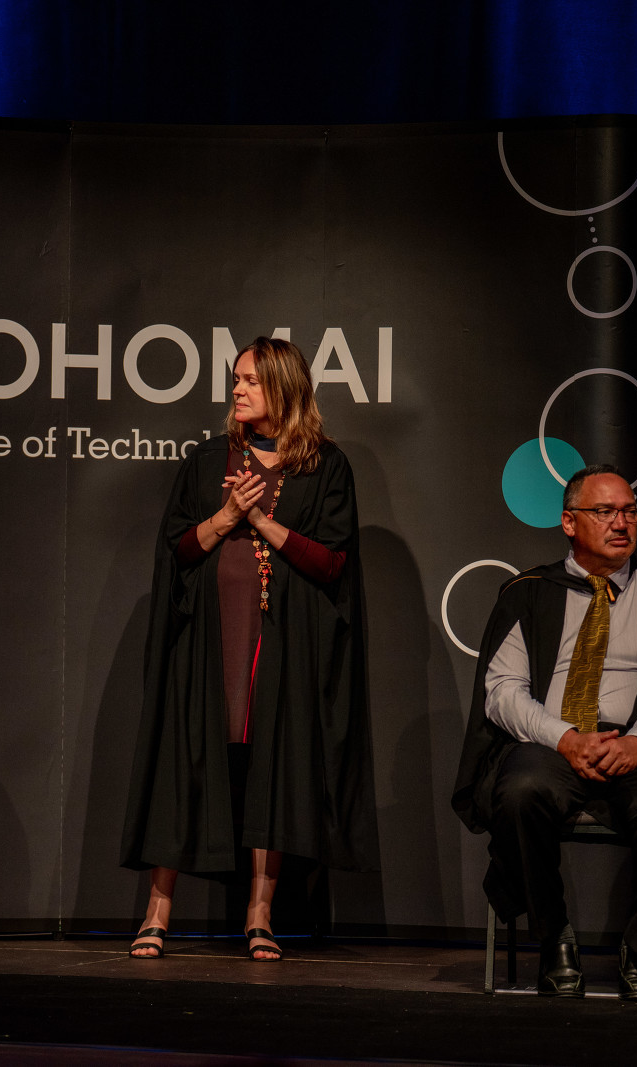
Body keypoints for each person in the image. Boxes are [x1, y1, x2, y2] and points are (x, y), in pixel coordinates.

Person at [120, 337, 376, 961]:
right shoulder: (209, 459)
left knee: (272, 769)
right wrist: (228, 515)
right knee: (185, 761)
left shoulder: (325, 466)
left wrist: (262, 521)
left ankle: (259, 916)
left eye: (251, 381)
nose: (236, 389)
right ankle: (157, 913)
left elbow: (331, 562)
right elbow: (179, 551)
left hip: (282, 642)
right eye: (235, 378)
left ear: (284, 389)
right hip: (208, 640)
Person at [452, 465, 637, 998]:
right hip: (554, 741)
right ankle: (553, 938)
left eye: (630, 512)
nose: (621, 523)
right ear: (569, 522)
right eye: (605, 512)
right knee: (520, 791)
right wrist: (565, 738)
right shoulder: (528, 592)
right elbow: (502, 690)